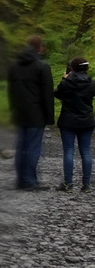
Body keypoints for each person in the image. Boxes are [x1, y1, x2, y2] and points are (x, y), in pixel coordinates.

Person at [8, 35, 54, 190]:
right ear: (39, 47)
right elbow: (47, 94)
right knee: (33, 147)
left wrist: (13, 108)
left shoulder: (14, 66)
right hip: (36, 113)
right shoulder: (42, 66)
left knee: (21, 147)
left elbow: (11, 91)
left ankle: (21, 180)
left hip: (20, 112)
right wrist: (49, 116)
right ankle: (30, 181)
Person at [54, 56, 95, 192]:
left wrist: (65, 79)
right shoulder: (91, 83)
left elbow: (58, 94)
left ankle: (68, 184)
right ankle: (86, 185)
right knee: (86, 152)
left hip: (68, 120)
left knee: (69, 151)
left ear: (72, 68)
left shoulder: (67, 83)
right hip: (86, 120)